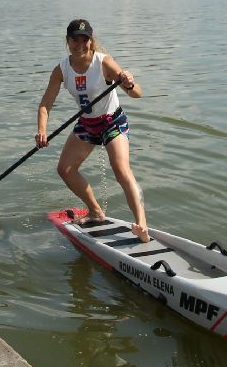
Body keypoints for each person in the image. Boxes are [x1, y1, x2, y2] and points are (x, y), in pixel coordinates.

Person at [36, 18, 149, 241]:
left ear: (91, 40)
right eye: (74, 40)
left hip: (112, 122)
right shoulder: (61, 70)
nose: (80, 45)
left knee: (121, 169)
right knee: (65, 170)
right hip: (88, 123)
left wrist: (128, 82)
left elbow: (137, 94)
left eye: (84, 40)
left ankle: (142, 225)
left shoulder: (104, 63)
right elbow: (45, 105)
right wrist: (42, 130)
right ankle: (96, 211)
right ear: (67, 41)